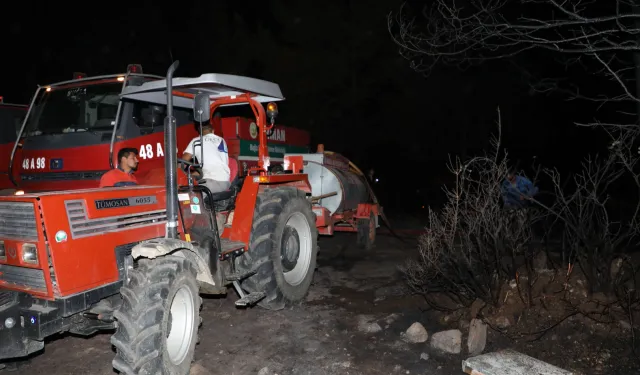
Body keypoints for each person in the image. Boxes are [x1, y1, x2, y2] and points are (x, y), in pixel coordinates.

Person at [182, 121, 230, 193]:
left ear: (200, 133)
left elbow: (183, 162)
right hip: (225, 182)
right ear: (213, 131)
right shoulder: (221, 140)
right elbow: (211, 166)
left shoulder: (197, 141)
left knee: (187, 196)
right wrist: (192, 174)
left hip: (211, 182)